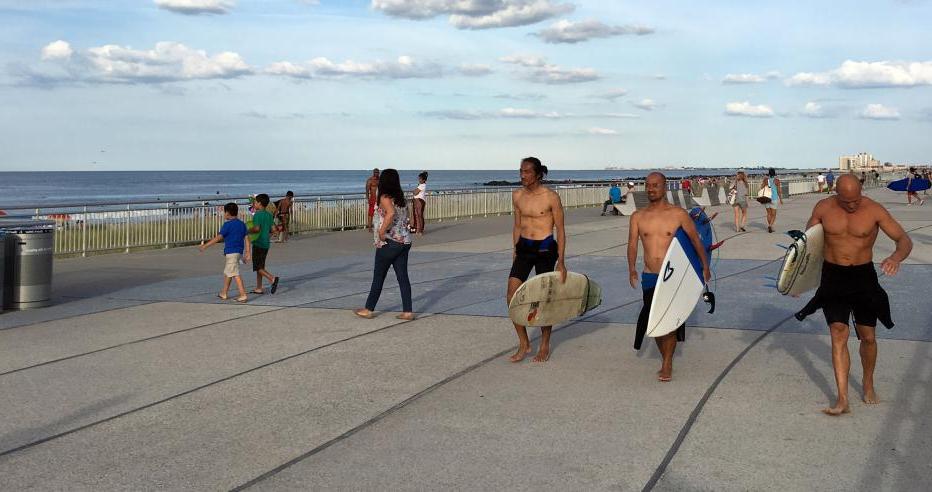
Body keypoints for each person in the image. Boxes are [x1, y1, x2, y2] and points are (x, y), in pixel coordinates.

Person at [794, 174, 912, 416]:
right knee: (838, 333)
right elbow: (808, 247)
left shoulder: (874, 210)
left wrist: (895, 258)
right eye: (846, 201)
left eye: (856, 200)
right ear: (836, 193)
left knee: (868, 337)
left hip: (863, 278)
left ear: (861, 191)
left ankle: (868, 383)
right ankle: (842, 399)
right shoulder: (823, 208)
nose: (852, 205)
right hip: (833, 277)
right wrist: (799, 280)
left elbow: (904, 240)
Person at [628, 173, 711, 382]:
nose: (650, 189)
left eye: (655, 185)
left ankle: (667, 362)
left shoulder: (678, 214)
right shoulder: (638, 216)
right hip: (649, 275)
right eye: (647, 185)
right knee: (654, 321)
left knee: (671, 322)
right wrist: (631, 269)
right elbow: (631, 244)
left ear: (665, 187)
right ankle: (665, 356)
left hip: (672, 276)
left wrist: (704, 266)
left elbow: (695, 241)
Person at [506, 157, 567, 363]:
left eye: (526, 172)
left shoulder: (551, 197)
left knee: (544, 300)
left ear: (537, 174)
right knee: (511, 296)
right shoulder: (517, 196)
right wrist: (515, 251)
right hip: (524, 248)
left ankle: (544, 344)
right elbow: (517, 225)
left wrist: (562, 261)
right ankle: (524, 343)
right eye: (520, 171)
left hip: (545, 248)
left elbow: (561, 229)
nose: (522, 175)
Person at [354, 169, 414, 321]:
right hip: (404, 242)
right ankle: (408, 311)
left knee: (379, 276)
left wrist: (382, 232)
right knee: (403, 277)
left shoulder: (385, 197)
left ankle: (368, 309)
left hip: (389, 242)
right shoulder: (401, 198)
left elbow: (391, 213)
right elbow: (409, 218)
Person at [199, 202, 251, 303]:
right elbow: (246, 238)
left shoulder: (227, 225)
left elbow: (218, 238)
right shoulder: (242, 224)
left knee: (235, 273)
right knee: (229, 272)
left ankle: (243, 294)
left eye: (224, 212)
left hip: (231, 252)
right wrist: (248, 251)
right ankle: (224, 292)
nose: (223, 214)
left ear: (227, 213)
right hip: (239, 252)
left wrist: (205, 245)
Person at [248, 194, 281, 295]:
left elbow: (257, 228)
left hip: (258, 243)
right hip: (266, 243)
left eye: (255, 202)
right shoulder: (268, 215)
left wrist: (248, 230)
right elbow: (275, 230)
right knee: (260, 266)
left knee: (258, 267)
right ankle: (259, 288)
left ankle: (272, 278)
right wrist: (269, 235)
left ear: (259, 203)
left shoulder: (257, 215)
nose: (254, 204)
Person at [760, 168, 783, 233]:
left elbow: (761, 188)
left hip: (767, 198)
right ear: (774, 173)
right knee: (774, 214)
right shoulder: (777, 181)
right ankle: (770, 226)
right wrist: (781, 199)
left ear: (769, 173)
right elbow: (778, 191)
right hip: (774, 198)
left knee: (768, 213)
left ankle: (770, 226)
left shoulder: (765, 180)